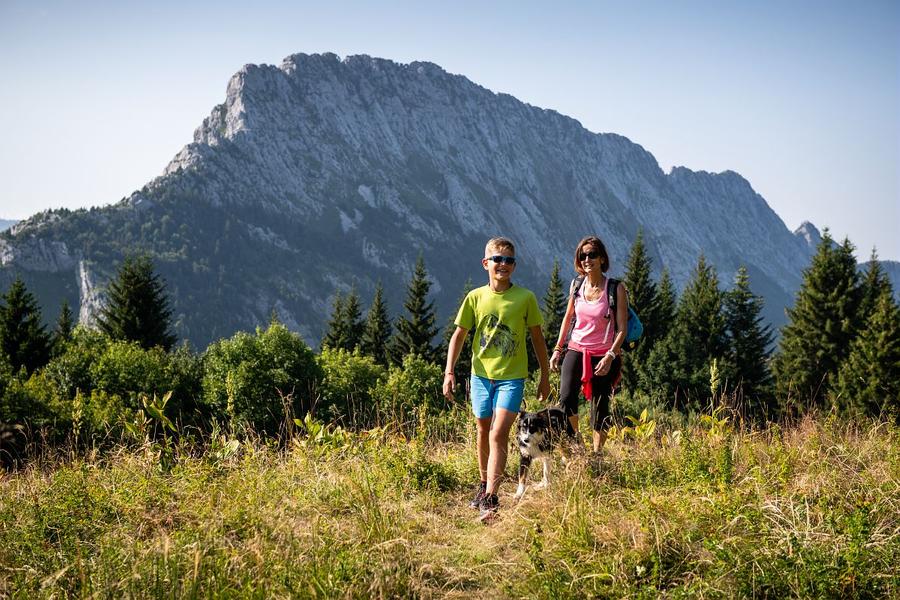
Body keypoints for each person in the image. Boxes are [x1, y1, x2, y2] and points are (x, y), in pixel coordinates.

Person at [443, 237, 551, 523]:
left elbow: (538, 339)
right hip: (480, 377)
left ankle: (491, 499)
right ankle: (482, 486)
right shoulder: (475, 297)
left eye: (509, 260)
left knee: (498, 433)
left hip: (512, 379)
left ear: (514, 265)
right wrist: (449, 372)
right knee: (483, 431)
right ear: (485, 264)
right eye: (498, 259)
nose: (503, 265)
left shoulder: (525, 298)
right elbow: (459, 336)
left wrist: (544, 376)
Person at [549, 236, 628, 453]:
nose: (587, 259)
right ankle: (577, 445)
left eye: (592, 254)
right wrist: (557, 349)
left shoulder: (615, 288)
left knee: (600, 407)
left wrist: (611, 356)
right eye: (582, 255)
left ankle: (597, 455)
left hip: (604, 354)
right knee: (566, 400)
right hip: (575, 349)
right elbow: (567, 319)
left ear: (602, 258)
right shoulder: (577, 285)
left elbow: (622, 328)